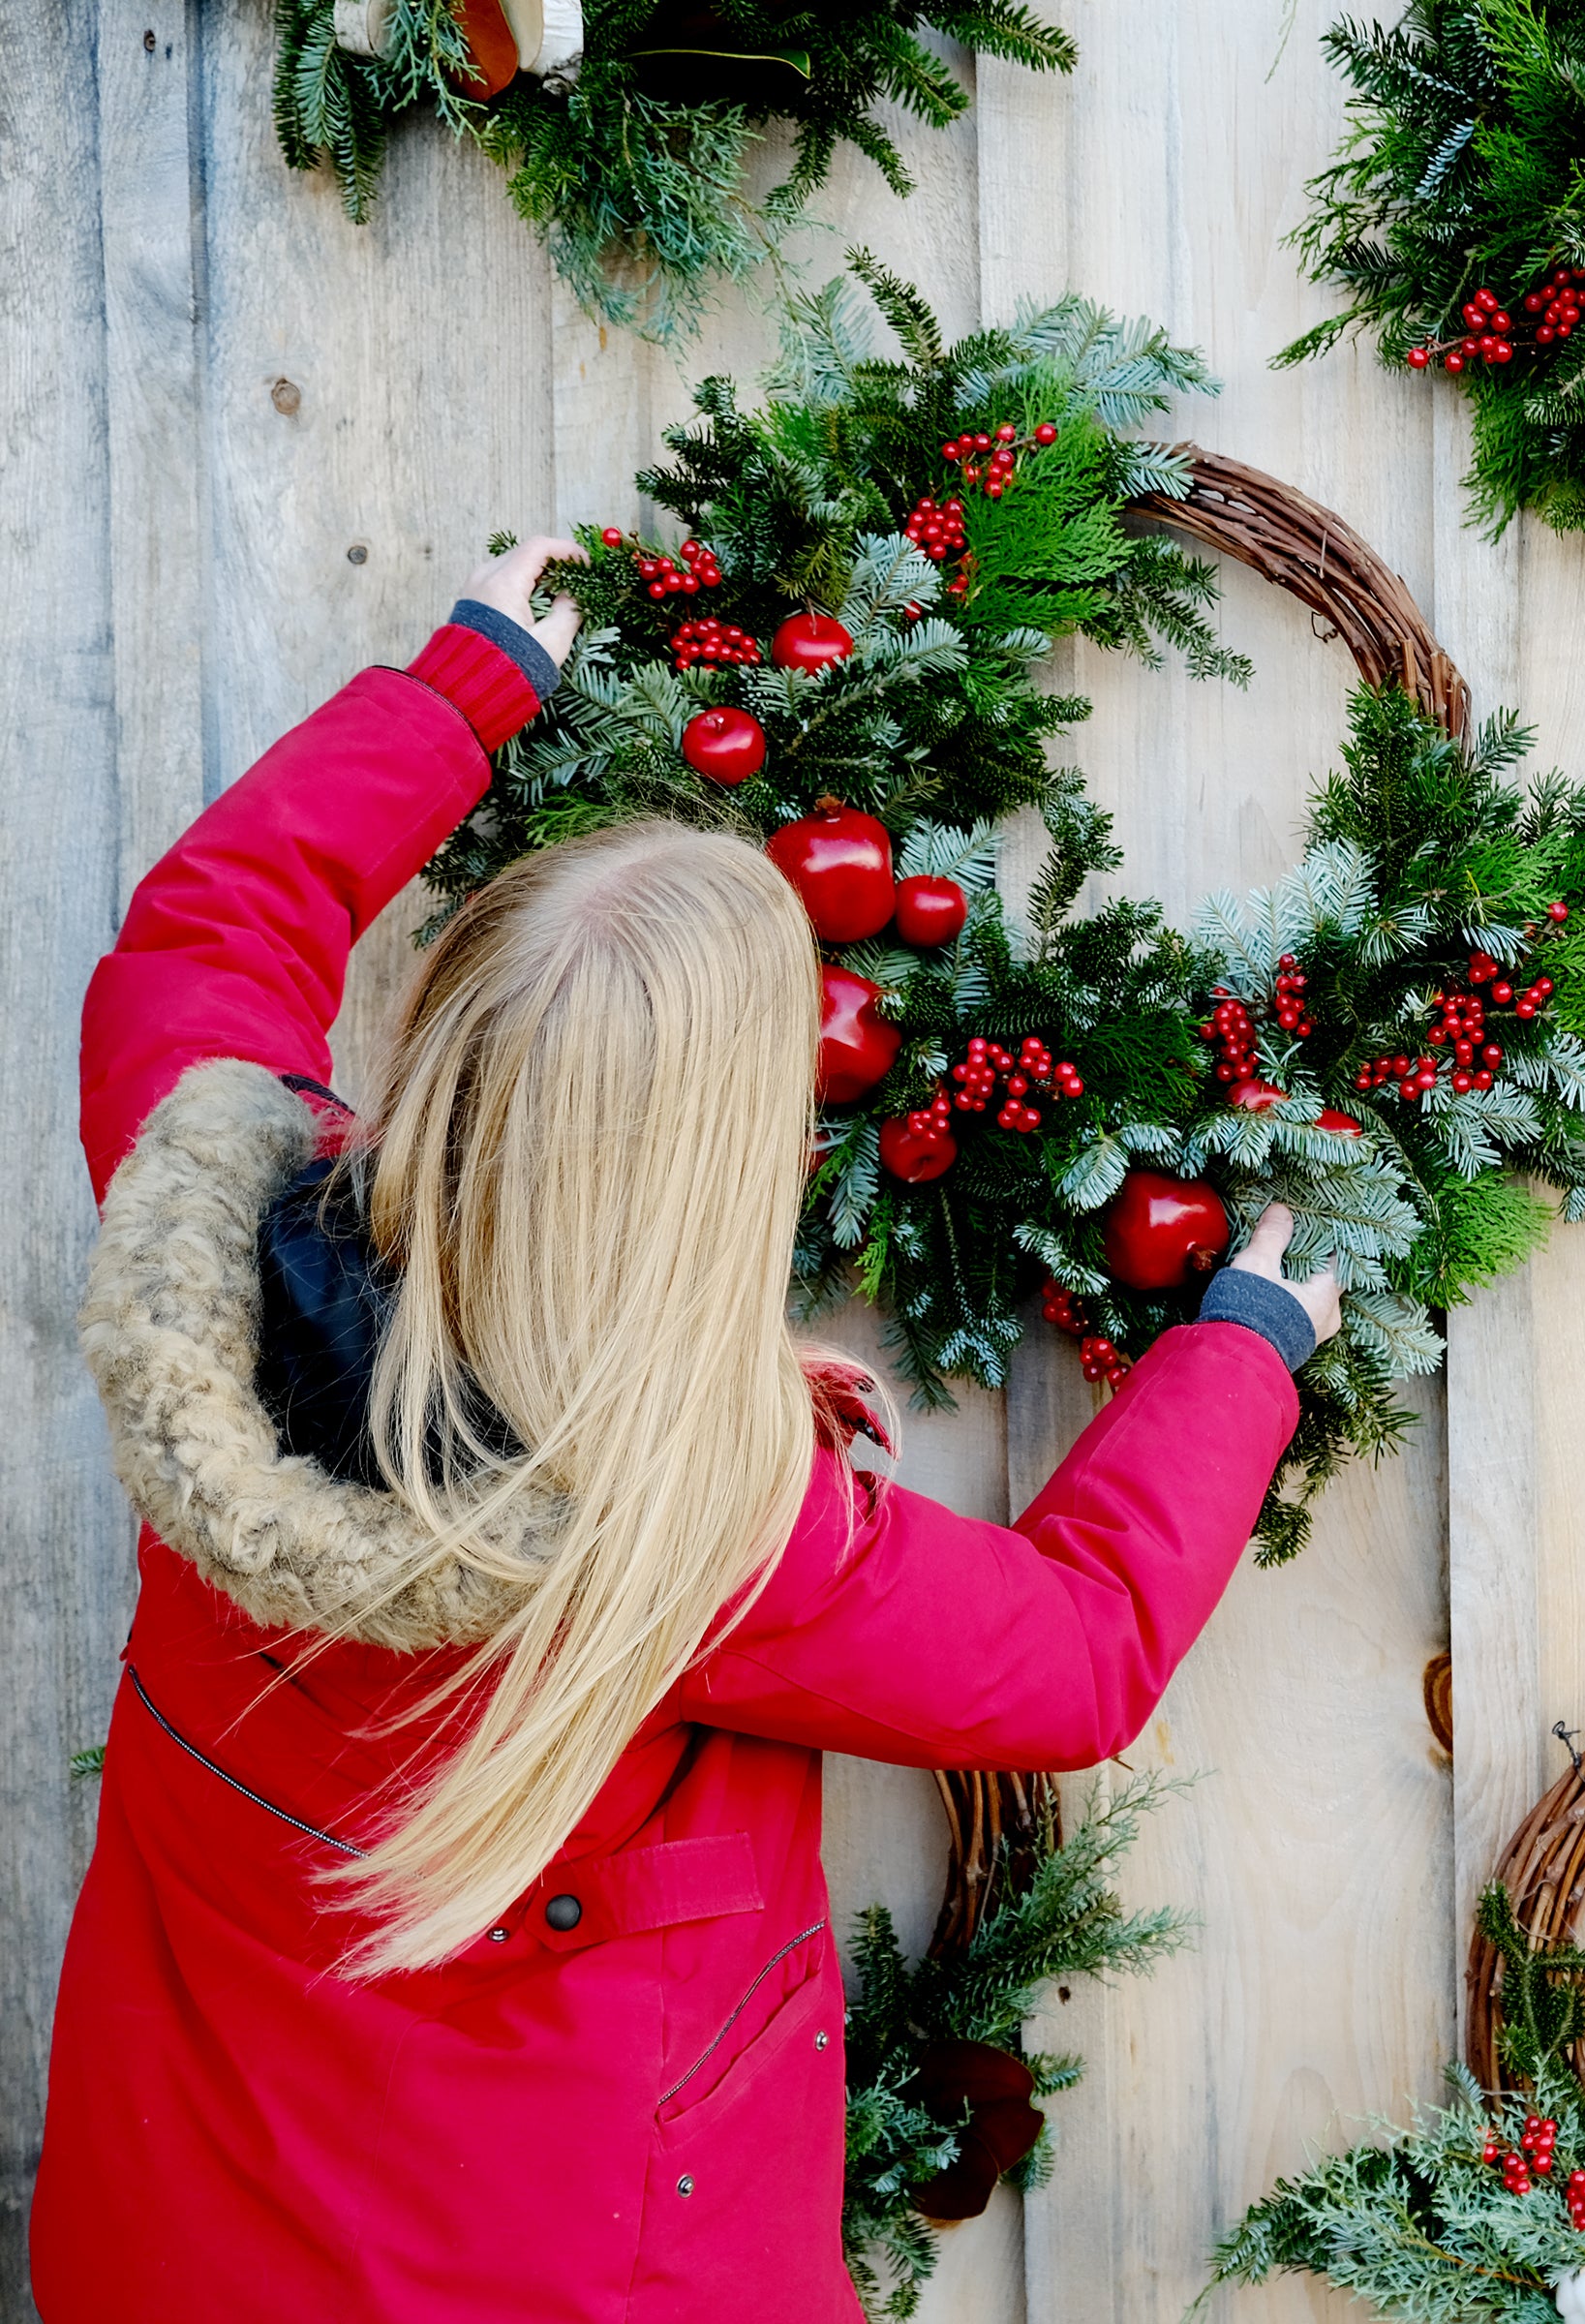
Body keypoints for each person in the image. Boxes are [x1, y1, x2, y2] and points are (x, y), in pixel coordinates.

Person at [31, 539, 1337, 2321]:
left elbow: (207, 930)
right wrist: (1244, 1347)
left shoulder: (206, 1252)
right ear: (736, 1173)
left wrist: (463, 686)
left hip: (170, 2241)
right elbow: (1081, 1651)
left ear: (445, 1030)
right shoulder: (714, 1543)